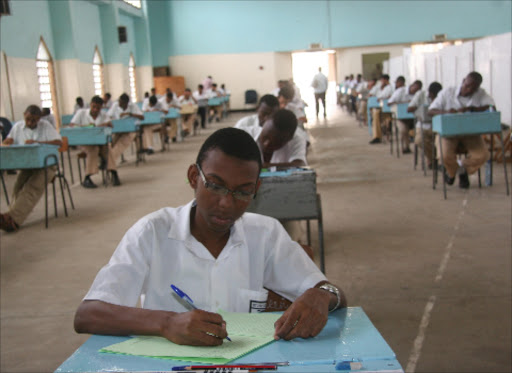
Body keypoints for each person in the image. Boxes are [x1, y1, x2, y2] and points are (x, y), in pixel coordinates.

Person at [73, 127, 346, 345]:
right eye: (215, 185)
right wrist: (166, 323)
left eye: (242, 191)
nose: (227, 203)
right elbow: (87, 315)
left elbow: (334, 294)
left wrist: (323, 296)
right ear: (194, 177)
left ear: (256, 189)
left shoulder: (265, 234)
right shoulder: (152, 232)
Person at [0, 105, 62, 232]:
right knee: (18, 186)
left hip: (47, 165)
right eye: (28, 119)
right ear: (24, 115)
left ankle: (13, 220)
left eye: (34, 120)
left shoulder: (45, 126)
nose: (30, 122)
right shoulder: (18, 127)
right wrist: (8, 141)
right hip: (29, 164)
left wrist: (38, 143)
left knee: (32, 188)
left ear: (39, 119)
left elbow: (59, 142)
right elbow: (9, 139)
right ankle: (12, 215)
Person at [428, 71, 494, 189]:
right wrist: (446, 112)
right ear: (463, 81)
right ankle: (458, 173)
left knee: (483, 155)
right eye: (467, 86)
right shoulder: (448, 92)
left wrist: (473, 109)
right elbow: (431, 111)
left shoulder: (481, 94)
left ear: (477, 88)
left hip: (470, 133)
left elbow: (491, 107)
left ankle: (458, 170)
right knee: (444, 155)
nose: (468, 90)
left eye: (473, 89)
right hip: (447, 132)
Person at [70, 96, 121, 187]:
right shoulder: (81, 113)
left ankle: (114, 173)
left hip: (100, 142)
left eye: (98, 108)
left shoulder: (103, 114)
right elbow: (72, 125)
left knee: (108, 149)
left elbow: (110, 126)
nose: (95, 109)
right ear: (90, 105)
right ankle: (87, 178)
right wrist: (91, 126)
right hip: (85, 142)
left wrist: (103, 125)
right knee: (93, 150)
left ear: (101, 107)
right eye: (93, 107)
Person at [408, 82, 443, 169]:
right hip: (423, 125)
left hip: (437, 125)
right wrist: (421, 109)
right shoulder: (420, 95)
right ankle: (433, 159)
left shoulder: (442, 96)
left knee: (443, 141)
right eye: (433, 97)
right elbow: (409, 108)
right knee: (419, 140)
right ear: (430, 93)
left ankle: (439, 161)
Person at [107, 93, 144, 164]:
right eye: (119, 102)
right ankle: (106, 159)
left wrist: (129, 114)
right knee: (112, 142)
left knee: (121, 144)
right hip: (119, 129)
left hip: (131, 130)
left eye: (121, 103)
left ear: (126, 103)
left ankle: (110, 161)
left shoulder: (133, 106)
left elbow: (142, 117)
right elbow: (108, 115)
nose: (119, 104)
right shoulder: (116, 105)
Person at [388, 78, 422, 153]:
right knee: (403, 130)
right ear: (412, 86)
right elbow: (389, 103)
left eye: (417, 90)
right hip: (400, 117)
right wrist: (405, 103)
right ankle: (406, 147)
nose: (415, 91)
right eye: (414, 89)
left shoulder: (419, 94)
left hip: (413, 118)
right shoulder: (400, 91)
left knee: (422, 129)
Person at [369, 74, 393, 144]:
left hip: (389, 108)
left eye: (382, 80)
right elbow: (378, 97)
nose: (381, 82)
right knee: (375, 114)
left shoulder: (390, 88)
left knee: (376, 114)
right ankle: (377, 136)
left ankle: (377, 136)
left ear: (385, 80)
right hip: (382, 107)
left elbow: (385, 97)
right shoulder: (382, 88)